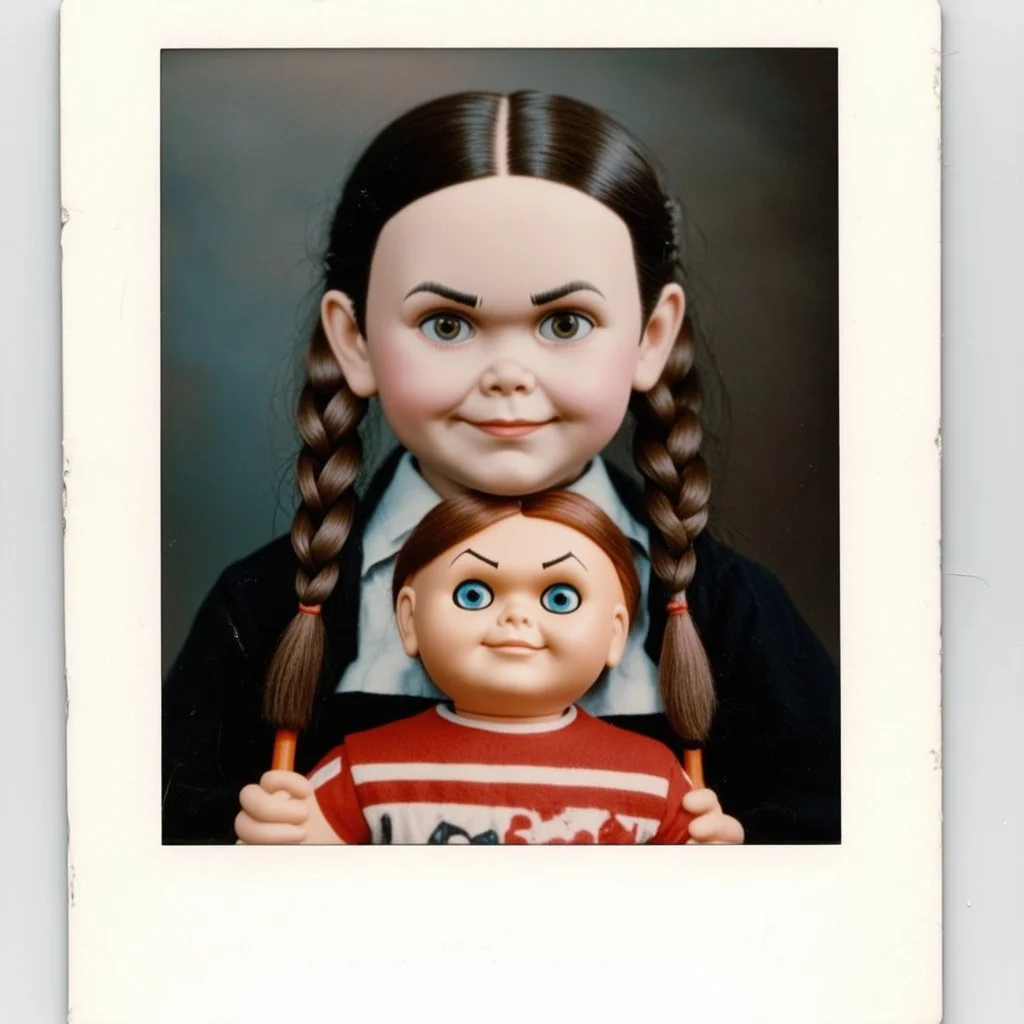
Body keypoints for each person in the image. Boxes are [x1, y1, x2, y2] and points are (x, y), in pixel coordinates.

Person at [163, 90, 839, 845]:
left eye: (564, 323)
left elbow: (831, 862)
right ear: (353, 339)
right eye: (447, 324)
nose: (508, 374)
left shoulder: (734, 614)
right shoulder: (260, 609)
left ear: (652, 335)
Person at [235, 491, 704, 845]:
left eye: (560, 598)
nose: (517, 617)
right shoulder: (362, 770)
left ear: (616, 632)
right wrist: (279, 837)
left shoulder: (655, 777)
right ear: (408, 618)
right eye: (474, 594)